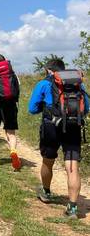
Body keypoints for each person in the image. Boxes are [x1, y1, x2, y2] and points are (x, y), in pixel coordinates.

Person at [29, 58, 88, 219]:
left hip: (51, 127)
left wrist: (47, 108)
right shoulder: (77, 83)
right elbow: (86, 108)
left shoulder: (44, 84)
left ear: (49, 70)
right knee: (72, 166)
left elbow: (32, 109)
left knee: (48, 160)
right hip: (73, 127)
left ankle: (46, 192)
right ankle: (73, 208)